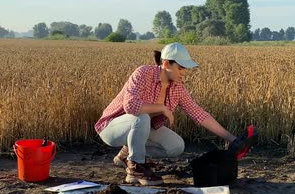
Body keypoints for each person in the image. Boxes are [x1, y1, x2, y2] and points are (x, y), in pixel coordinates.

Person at [95, 42, 252, 186]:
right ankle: (135, 168)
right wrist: (162, 108)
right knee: (141, 117)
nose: (184, 72)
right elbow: (130, 106)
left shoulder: (177, 87)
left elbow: (199, 114)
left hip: (138, 128)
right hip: (111, 128)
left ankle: (126, 154)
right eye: (180, 68)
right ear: (165, 64)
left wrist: (232, 139)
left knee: (176, 146)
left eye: (185, 68)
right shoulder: (143, 73)